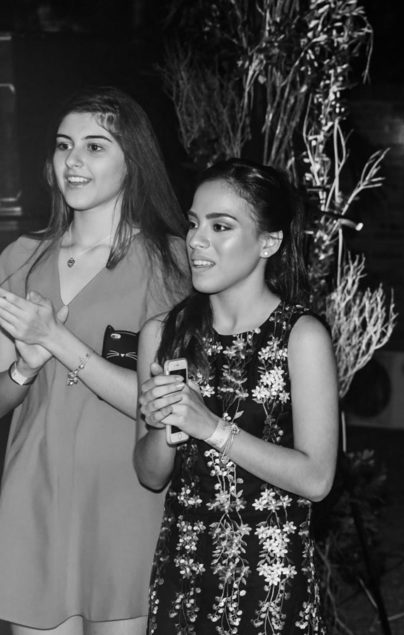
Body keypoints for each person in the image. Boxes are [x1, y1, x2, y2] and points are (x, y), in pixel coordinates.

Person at [0, 87, 189, 635]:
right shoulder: (20, 257)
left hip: (125, 497)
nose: (73, 160)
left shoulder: (170, 261)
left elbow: (166, 407)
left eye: (95, 146)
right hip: (34, 492)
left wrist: (57, 341)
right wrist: (24, 369)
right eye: (64, 145)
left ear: (133, 162)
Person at [133, 158, 338, 634]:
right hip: (184, 575)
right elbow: (149, 475)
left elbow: (316, 479)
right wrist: (164, 423)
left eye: (220, 226)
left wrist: (211, 427)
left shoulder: (301, 336)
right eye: (193, 223)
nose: (196, 240)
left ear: (269, 242)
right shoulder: (162, 334)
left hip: (271, 581)